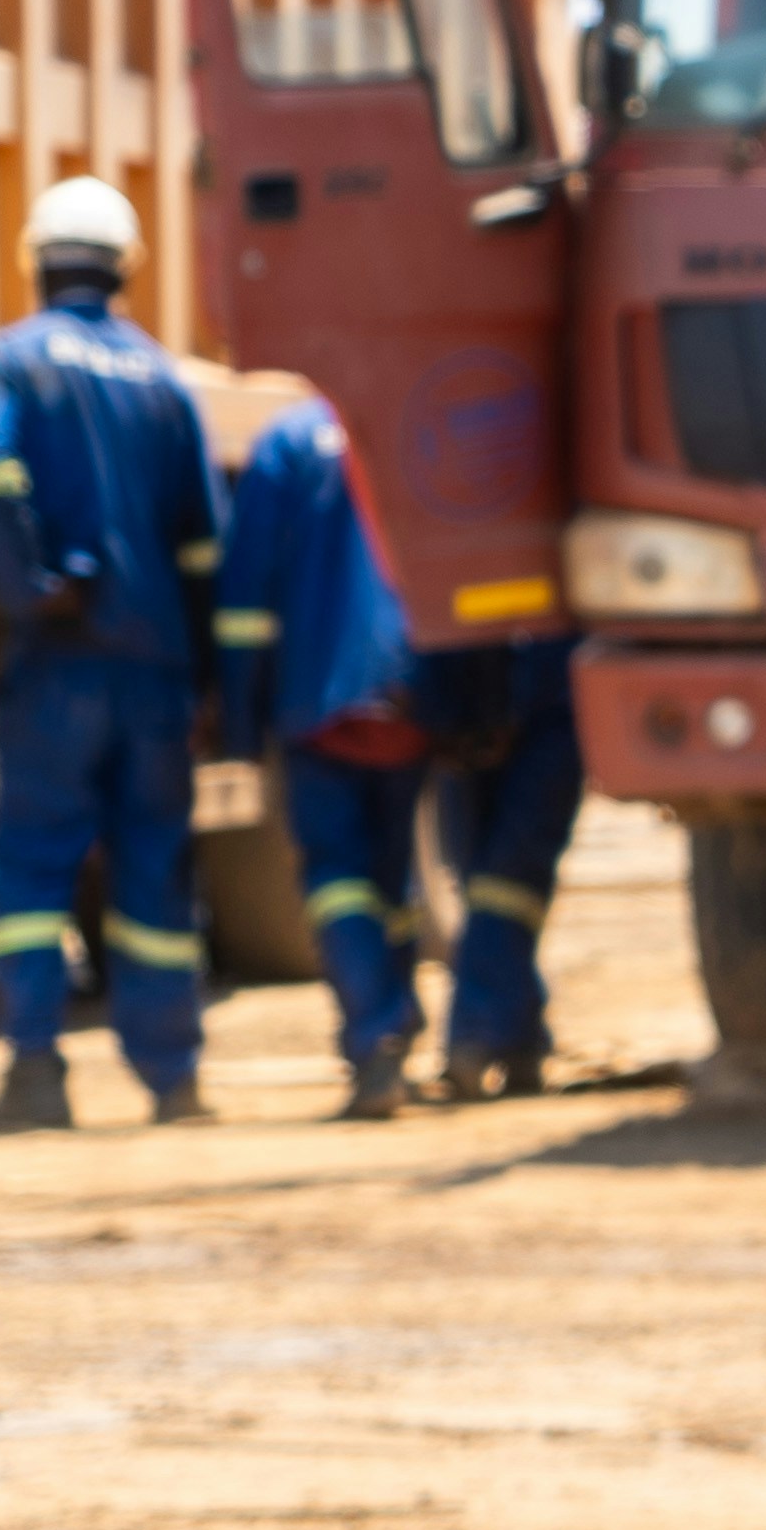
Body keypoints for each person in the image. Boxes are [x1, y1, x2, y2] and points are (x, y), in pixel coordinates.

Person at [0, 175, 221, 1132]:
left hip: (57, 667)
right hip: (155, 672)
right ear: (127, 268)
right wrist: (214, 684)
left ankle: (32, 1073)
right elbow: (202, 549)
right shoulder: (163, 380)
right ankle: (173, 1082)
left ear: (33, 260)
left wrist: (31, 584)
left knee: (29, 869)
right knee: (155, 874)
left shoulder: (2, 366)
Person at [208, 389, 433, 1121]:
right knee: (393, 879)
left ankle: (375, 1042)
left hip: (319, 704)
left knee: (337, 877)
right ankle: (399, 1019)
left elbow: (244, 602)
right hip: (412, 696)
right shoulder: (414, 425)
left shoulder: (288, 443)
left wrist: (239, 725)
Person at [410, 629, 585, 1097]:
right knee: (489, 883)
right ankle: (517, 1040)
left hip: (539, 709)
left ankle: (477, 1035)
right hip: (476, 709)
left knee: (504, 883)